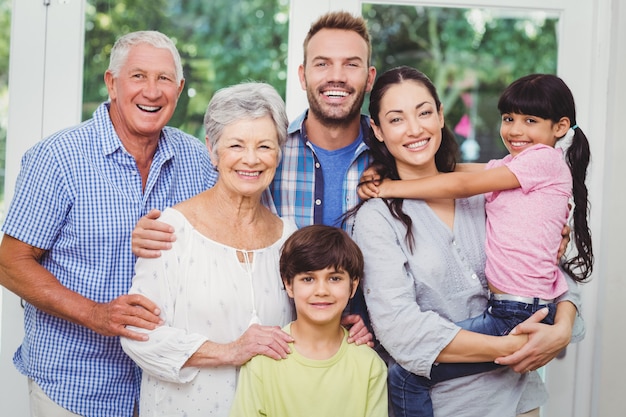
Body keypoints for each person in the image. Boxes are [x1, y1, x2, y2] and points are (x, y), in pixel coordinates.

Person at [0, 31, 217, 417]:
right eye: (138, 76)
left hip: (166, 386)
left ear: (179, 88)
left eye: (164, 79)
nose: (152, 91)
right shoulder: (57, 158)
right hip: (76, 385)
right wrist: (96, 314)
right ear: (111, 83)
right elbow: (10, 262)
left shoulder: (196, 160)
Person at [351, 66, 585, 417]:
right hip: (446, 406)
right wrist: (509, 346)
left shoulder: (490, 194)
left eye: (424, 112)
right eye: (396, 119)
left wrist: (562, 330)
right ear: (378, 130)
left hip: (519, 403)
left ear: (441, 115)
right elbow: (401, 329)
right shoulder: (378, 217)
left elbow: (550, 277)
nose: (415, 129)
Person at [130, 10, 376, 342]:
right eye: (322, 63)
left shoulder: (390, 159)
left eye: (351, 64)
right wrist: (149, 228)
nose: (336, 76)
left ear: (369, 76)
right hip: (287, 351)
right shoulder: (267, 153)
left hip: (373, 347)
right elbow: (212, 211)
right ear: (302, 76)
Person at [121, 81, 300, 417]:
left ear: (279, 151)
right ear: (212, 149)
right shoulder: (172, 229)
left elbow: (300, 326)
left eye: (264, 145)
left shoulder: (287, 237)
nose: (251, 159)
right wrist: (230, 351)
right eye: (236, 145)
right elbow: (136, 334)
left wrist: (339, 323)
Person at [228, 225, 388, 417]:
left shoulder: (370, 365)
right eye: (308, 279)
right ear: (288, 284)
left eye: (335, 278)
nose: (321, 291)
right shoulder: (262, 361)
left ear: (353, 286)